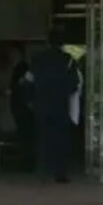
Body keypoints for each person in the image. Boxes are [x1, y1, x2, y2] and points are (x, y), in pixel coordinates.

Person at [30, 27, 81, 183]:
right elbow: (74, 84)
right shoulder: (68, 60)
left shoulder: (38, 59)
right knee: (61, 139)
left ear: (47, 42)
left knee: (43, 138)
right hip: (61, 105)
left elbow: (29, 81)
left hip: (42, 104)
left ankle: (42, 171)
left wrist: (32, 99)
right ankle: (60, 172)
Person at [8, 43, 35, 172]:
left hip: (22, 106)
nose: (11, 56)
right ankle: (25, 161)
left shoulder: (23, 68)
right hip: (21, 106)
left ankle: (27, 162)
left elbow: (23, 86)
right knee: (24, 134)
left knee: (25, 135)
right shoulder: (18, 68)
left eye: (14, 53)